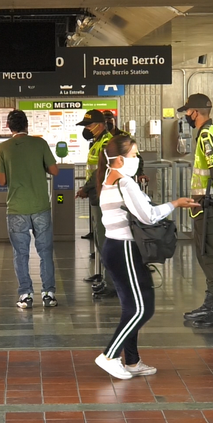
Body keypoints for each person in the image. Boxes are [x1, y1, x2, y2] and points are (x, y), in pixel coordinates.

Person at [94, 134, 198, 379]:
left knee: (132, 307)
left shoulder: (109, 180)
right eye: (133, 155)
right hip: (125, 250)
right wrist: (175, 204)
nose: (137, 158)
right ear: (119, 159)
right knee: (142, 309)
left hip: (115, 247)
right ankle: (109, 355)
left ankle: (132, 361)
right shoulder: (124, 183)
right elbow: (149, 216)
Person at [178, 94, 213, 328]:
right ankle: (210, 302)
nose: (186, 117)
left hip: (210, 204)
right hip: (209, 203)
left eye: (187, 112)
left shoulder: (206, 135)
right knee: (207, 254)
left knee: (212, 255)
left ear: (195, 112)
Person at [0, 110, 59, 309]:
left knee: (20, 253)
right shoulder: (40, 144)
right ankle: (49, 294)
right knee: (45, 252)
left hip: (16, 208)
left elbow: (2, 180)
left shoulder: (3, 148)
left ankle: (25, 295)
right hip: (40, 205)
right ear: (27, 125)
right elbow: (54, 170)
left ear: (9, 126)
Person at [76, 109, 117, 298]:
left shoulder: (107, 143)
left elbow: (101, 171)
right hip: (97, 196)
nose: (87, 129)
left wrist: (86, 188)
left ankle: (113, 284)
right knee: (102, 241)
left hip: (104, 197)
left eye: (89, 125)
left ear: (100, 125)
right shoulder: (98, 142)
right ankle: (108, 279)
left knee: (106, 241)